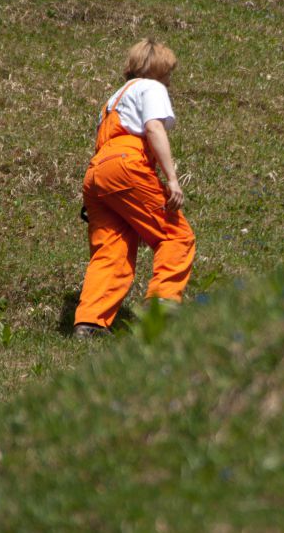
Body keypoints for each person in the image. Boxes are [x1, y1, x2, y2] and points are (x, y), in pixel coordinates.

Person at [73, 39, 195, 338]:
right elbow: (153, 128)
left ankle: (90, 323)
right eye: (168, 72)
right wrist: (172, 179)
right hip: (128, 164)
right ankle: (160, 313)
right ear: (159, 69)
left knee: (111, 248)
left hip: (98, 173)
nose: (170, 79)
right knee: (175, 236)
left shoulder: (113, 99)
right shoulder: (152, 88)